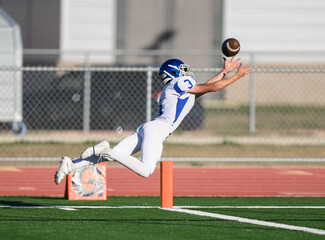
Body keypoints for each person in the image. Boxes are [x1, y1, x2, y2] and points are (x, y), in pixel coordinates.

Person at [54, 57, 252, 184]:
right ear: (174, 72)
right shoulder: (180, 82)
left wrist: (225, 72)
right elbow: (214, 88)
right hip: (156, 130)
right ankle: (105, 149)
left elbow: (204, 87)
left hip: (148, 127)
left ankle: (71, 165)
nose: (186, 72)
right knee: (146, 170)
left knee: (105, 160)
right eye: (182, 70)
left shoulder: (174, 88)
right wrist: (238, 76)